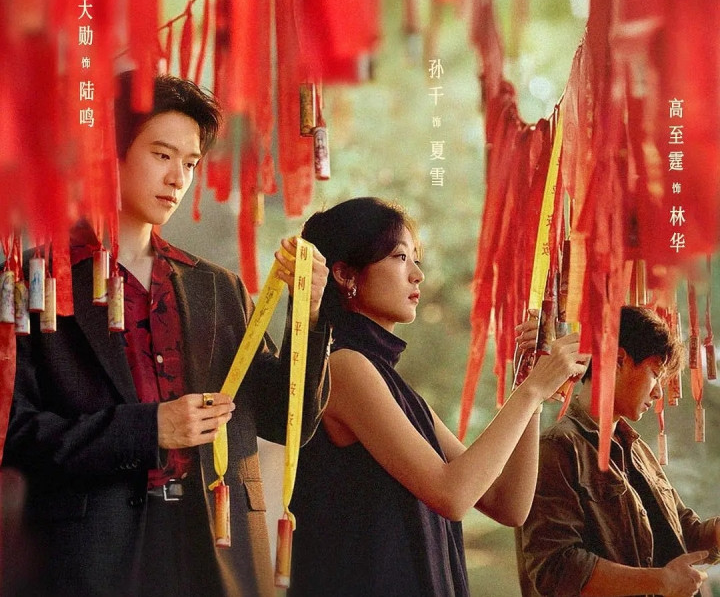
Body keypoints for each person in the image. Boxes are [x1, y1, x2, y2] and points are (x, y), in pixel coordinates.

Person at [4, 73, 331, 597]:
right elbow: (14, 433)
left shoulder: (217, 287)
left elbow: (284, 418)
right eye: (161, 155)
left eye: (191, 163)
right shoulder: (35, 280)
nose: (178, 178)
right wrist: (148, 428)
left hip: (216, 553)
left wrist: (309, 315)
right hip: (90, 557)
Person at [282, 196, 589, 597]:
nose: (417, 275)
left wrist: (528, 383)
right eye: (400, 257)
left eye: (416, 259)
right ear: (345, 274)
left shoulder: (391, 384)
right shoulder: (344, 367)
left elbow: (508, 504)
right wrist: (531, 392)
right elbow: (451, 495)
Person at [516, 304, 720, 597]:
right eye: (655, 373)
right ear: (620, 360)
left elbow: (681, 534)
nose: (658, 392)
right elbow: (556, 567)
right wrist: (659, 581)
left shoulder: (638, 451)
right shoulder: (558, 448)